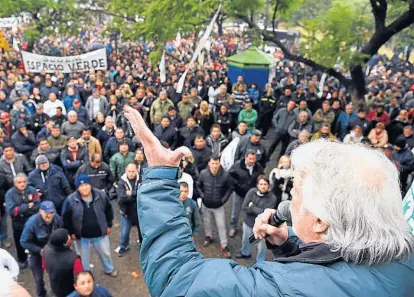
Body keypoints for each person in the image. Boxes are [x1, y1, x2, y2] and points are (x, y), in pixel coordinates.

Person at [123, 104, 414, 297]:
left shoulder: (286, 289)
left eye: (296, 191)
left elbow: (176, 278)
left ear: (322, 220)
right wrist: (293, 246)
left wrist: (160, 177)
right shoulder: (405, 261)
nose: (289, 199)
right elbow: (346, 273)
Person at [63, 174, 118, 277]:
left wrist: (109, 225)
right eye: (81, 186)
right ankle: (85, 275)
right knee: (83, 258)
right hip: (82, 237)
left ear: (90, 185)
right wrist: (70, 233)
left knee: (105, 253)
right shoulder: (70, 200)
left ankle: (109, 269)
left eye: (87, 185)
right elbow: (66, 218)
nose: (84, 188)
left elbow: (109, 210)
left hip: (100, 234)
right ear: (77, 188)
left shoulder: (101, 195)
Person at [20, 201, 63, 297]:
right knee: (39, 279)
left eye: (51, 212)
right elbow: (23, 242)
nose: (49, 215)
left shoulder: (57, 218)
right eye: (46, 212)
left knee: (56, 275)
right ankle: (41, 294)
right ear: (40, 211)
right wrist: (39, 250)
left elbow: (62, 231)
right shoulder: (31, 223)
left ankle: (57, 292)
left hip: (53, 252)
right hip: (37, 254)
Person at [196, 156, 233, 258]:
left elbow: (230, 188)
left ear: (219, 164)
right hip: (206, 204)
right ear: (209, 163)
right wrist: (202, 196)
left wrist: (223, 200)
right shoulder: (203, 173)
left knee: (221, 226)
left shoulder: (225, 175)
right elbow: (198, 184)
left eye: (216, 163)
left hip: (218, 206)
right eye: (213, 163)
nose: (214, 166)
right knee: (206, 222)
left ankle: (224, 245)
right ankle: (209, 236)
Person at [237, 177, 277, 262]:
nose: (263, 186)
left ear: (268, 186)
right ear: (257, 185)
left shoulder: (272, 198)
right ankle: (245, 253)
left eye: (265, 184)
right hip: (248, 223)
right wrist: (259, 210)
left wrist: (252, 206)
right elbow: (244, 207)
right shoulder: (251, 192)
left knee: (262, 246)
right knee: (246, 240)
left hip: (263, 227)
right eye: (261, 184)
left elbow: (265, 214)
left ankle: (260, 262)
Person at [5, 173, 41, 269]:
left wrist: (21, 209)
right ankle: (22, 260)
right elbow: (12, 211)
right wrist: (27, 206)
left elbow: (37, 205)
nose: (22, 184)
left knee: (35, 239)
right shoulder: (9, 194)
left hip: (32, 220)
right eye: (19, 182)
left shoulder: (32, 190)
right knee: (19, 241)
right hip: (18, 223)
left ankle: (37, 257)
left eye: (24, 181)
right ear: (14, 183)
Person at [228, 151, 264, 238]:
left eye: (254, 159)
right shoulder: (237, 166)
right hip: (239, 193)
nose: (252, 161)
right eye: (250, 159)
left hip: (251, 194)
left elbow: (261, 175)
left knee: (252, 210)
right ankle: (233, 227)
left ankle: (252, 227)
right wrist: (237, 185)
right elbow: (230, 176)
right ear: (246, 158)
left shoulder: (257, 166)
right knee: (235, 212)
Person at [42, 228, 83, 297]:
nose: (69, 237)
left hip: (55, 286)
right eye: (68, 236)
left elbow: (45, 267)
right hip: (70, 290)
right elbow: (79, 276)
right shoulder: (74, 258)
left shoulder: (46, 249)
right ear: (65, 243)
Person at [116, 163, 141, 256]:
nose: (131, 173)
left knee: (142, 231)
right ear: (126, 170)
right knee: (125, 232)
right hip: (126, 212)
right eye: (129, 171)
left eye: (133, 171)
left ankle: (142, 244)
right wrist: (136, 195)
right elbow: (122, 198)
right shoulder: (121, 182)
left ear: (137, 170)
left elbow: (143, 193)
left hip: (139, 211)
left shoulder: (141, 179)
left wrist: (131, 193)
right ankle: (123, 246)